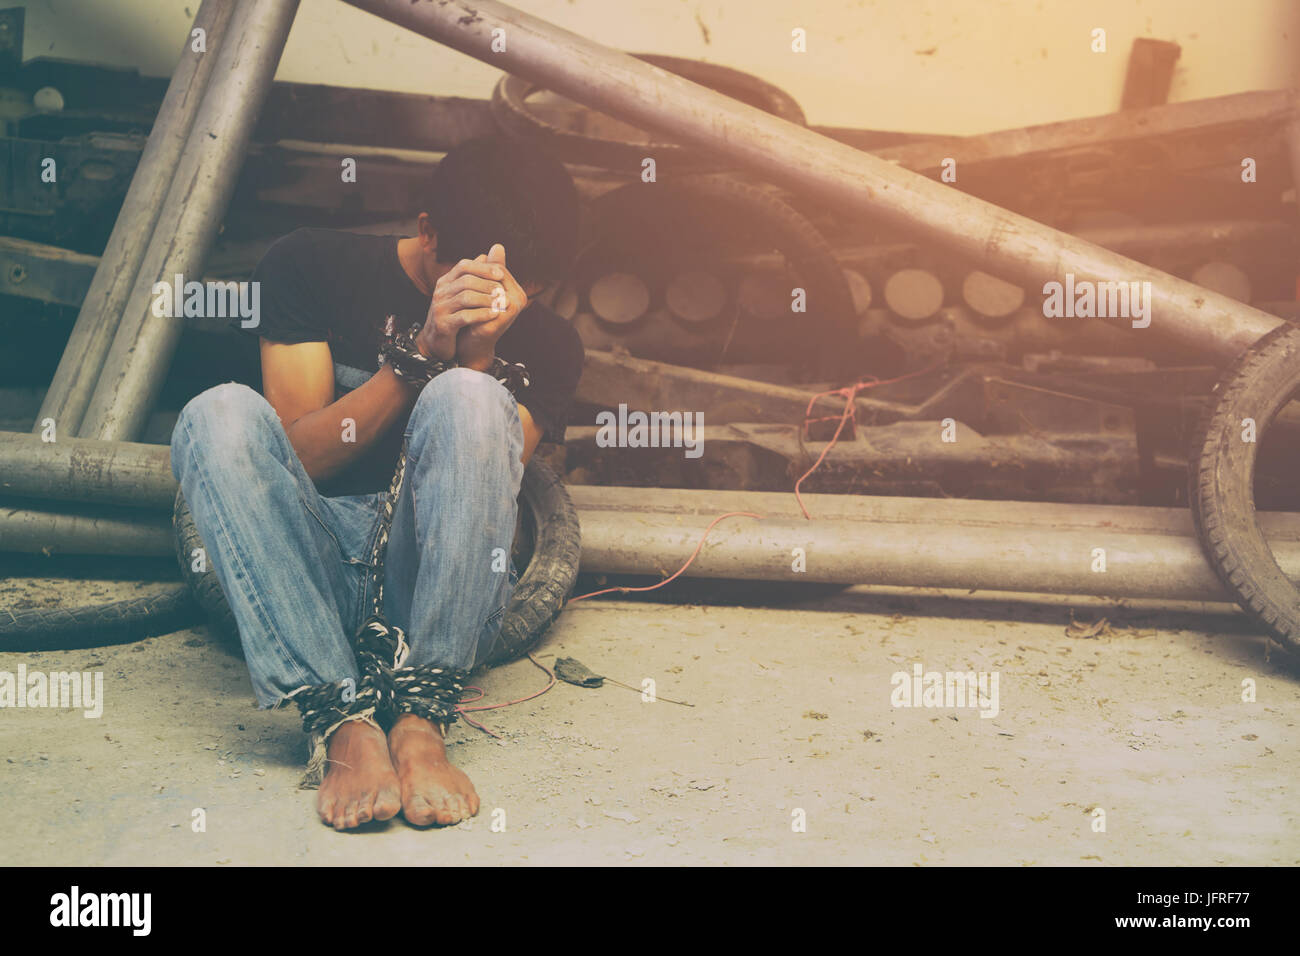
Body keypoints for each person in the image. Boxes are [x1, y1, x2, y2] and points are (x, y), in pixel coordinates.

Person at [170, 137, 585, 831]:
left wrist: (475, 359)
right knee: (216, 414)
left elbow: (485, 493)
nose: (501, 302)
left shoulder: (548, 340)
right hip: (307, 564)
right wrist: (419, 356)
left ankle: (422, 719)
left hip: (425, 585)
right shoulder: (310, 264)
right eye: (472, 279)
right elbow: (295, 455)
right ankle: (342, 725)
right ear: (426, 230)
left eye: (523, 292)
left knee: (471, 399)